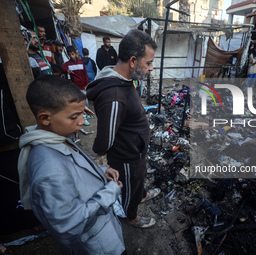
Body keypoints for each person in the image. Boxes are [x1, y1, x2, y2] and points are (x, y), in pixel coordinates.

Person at [17, 75, 125, 254]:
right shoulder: (49, 171)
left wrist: (101, 171)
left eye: (82, 113)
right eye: (75, 116)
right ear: (45, 118)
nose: (82, 121)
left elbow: (75, 169)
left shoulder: (56, 136)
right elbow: (69, 224)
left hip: (102, 229)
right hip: (95, 245)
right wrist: (110, 191)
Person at [87, 29, 160, 228]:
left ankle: (142, 194)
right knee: (129, 186)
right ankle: (132, 216)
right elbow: (104, 142)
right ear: (133, 61)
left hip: (136, 152)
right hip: (127, 157)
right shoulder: (115, 95)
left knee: (138, 181)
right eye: (149, 63)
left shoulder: (125, 80)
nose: (151, 68)